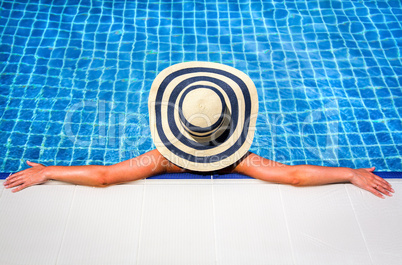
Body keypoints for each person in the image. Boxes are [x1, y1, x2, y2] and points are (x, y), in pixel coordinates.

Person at [3, 62, 394, 198]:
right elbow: (292, 176)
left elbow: (105, 177)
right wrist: (349, 173)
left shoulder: (159, 160)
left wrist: (49, 171)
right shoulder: (239, 160)